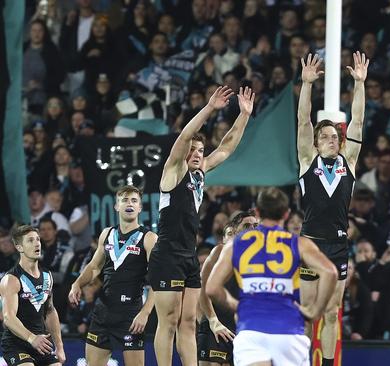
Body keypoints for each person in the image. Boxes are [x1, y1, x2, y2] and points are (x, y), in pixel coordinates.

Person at [148, 85, 256, 366]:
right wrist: (209, 108)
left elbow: (227, 146)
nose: (197, 153)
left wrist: (243, 115)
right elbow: (184, 137)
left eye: (201, 150)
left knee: (187, 322)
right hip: (168, 254)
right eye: (193, 150)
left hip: (188, 256)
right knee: (168, 321)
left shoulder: (200, 173)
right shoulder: (173, 172)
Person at [205, 187, 337, 366]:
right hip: (290, 332)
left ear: (258, 212)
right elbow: (330, 272)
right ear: (286, 213)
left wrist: (238, 306)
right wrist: (314, 311)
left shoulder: (235, 244)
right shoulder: (299, 243)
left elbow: (212, 288)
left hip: (252, 331)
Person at [296, 51, 368, 366]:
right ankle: (297, 359)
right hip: (310, 242)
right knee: (308, 311)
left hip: (338, 245)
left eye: (334, 136)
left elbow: (359, 120)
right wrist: (307, 84)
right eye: (324, 137)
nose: (331, 140)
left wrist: (360, 84)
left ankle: (326, 364)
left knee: (330, 311)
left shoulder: (347, 162)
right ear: (314, 143)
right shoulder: (305, 159)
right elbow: (303, 119)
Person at [67, 186, 157, 366]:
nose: (129, 204)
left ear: (140, 208)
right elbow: (94, 267)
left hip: (131, 316)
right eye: (124, 200)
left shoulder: (149, 238)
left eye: (134, 200)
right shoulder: (107, 234)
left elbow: (158, 280)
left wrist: (145, 313)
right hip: (103, 312)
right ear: (116, 206)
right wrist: (77, 284)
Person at [197, 210, 258, 366]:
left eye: (255, 225)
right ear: (236, 229)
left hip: (243, 330)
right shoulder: (219, 252)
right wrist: (213, 321)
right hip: (217, 326)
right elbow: (202, 288)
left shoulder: (262, 257)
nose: (252, 229)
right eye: (247, 225)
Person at [0, 225, 65, 365]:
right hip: (16, 345)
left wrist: (59, 347)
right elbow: (8, 317)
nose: (37, 243)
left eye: (38, 239)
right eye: (30, 240)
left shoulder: (47, 276)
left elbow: (50, 311)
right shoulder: (11, 279)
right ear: (19, 248)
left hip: (40, 344)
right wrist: (32, 338)